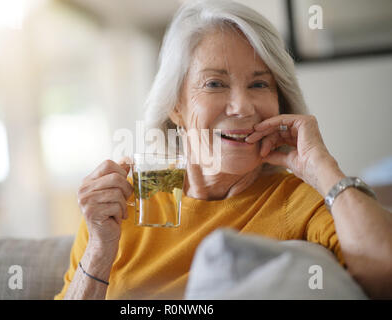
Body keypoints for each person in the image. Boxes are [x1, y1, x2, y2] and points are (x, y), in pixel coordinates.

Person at [55, 0, 392, 299]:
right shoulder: (124, 204)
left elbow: (386, 276)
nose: (242, 107)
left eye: (259, 84)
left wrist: (323, 166)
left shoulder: (299, 202)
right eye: (215, 83)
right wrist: (100, 249)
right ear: (176, 106)